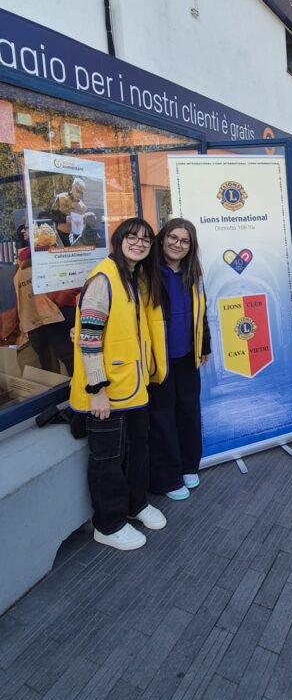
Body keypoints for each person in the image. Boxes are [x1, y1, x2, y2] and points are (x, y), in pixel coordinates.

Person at [69, 218, 167, 550]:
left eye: (146, 239)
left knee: (137, 451)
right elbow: (89, 337)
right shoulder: (103, 279)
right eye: (132, 237)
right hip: (106, 391)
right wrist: (97, 390)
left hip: (134, 386)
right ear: (118, 239)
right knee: (108, 460)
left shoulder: (135, 278)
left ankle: (135, 505)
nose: (139, 243)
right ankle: (108, 524)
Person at [146, 218, 211, 500]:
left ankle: (188, 466)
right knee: (162, 418)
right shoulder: (147, 271)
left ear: (191, 246)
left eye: (185, 241)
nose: (178, 244)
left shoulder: (192, 273)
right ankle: (168, 478)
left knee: (188, 412)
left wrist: (204, 344)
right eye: (173, 238)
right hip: (157, 358)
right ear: (162, 239)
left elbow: (202, 311)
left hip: (187, 355)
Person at [14, 224, 77, 375]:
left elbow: (73, 280)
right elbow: (21, 292)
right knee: (49, 360)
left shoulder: (54, 253)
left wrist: (57, 300)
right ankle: (56, 386)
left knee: (67, 356)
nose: (24, 230)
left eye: (28, 227)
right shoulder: (24, 257)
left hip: (57, 313)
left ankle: (75, 385)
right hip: (38, 315)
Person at [53, 178, 88, 245]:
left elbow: (87, 219)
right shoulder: (61, 197)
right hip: (61, 234)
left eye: (80, 192)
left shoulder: (82, 205)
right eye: (77, 190)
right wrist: (65, 218)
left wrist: (85, 217)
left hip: (76, 236)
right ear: (72, 187)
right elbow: (52, 215)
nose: (78, 194)